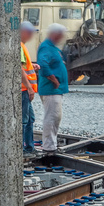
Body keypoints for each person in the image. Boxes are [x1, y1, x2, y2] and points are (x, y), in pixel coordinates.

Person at [37, 23, 69, 156]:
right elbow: (43, 64)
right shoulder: (46, 47)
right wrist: (54, 80)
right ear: (55, 34)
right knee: (51, 117)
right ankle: (49, 147)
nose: (62, 38)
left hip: (55, 90)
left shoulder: (52, 47)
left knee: (55, 117)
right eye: (61, 35)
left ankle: (52, 144)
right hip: (50, 89)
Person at [20, 21, 39, 158]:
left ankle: (29, 147)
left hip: (26, 90)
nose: (31, 35)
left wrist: (32, 66)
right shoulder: (19, 46)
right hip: (23, 90)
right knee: (24, 120)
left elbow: (24, 66)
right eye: (29, 32)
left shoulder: (22, 46)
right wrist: (29, 88)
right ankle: (21, 148)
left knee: (30, 119)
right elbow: (19, 69)